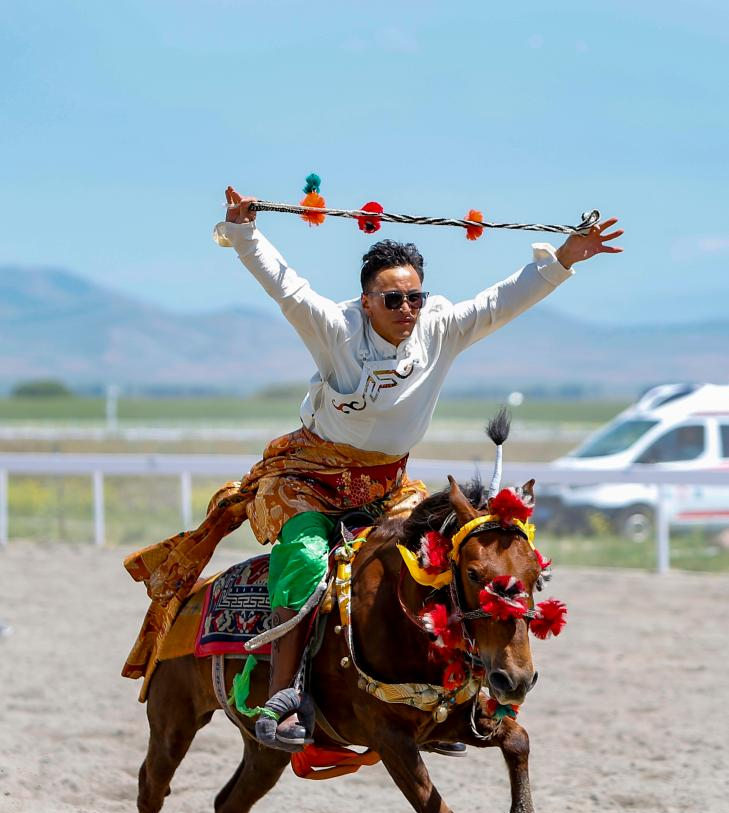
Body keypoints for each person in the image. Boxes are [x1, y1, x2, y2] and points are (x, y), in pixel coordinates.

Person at [123, 186, 622, 752]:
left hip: (387, 486)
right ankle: (285, 695)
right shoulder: (333, 329)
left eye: (415, 297)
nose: (407, 309)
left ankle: (442, 696)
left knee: (440, 559)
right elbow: (286, 287)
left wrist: (565, 258)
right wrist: (244, 232)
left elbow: (498, 302)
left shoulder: (440, 328)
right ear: (366, 302)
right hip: (307, 480)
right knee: (304, 560)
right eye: (393, 299)